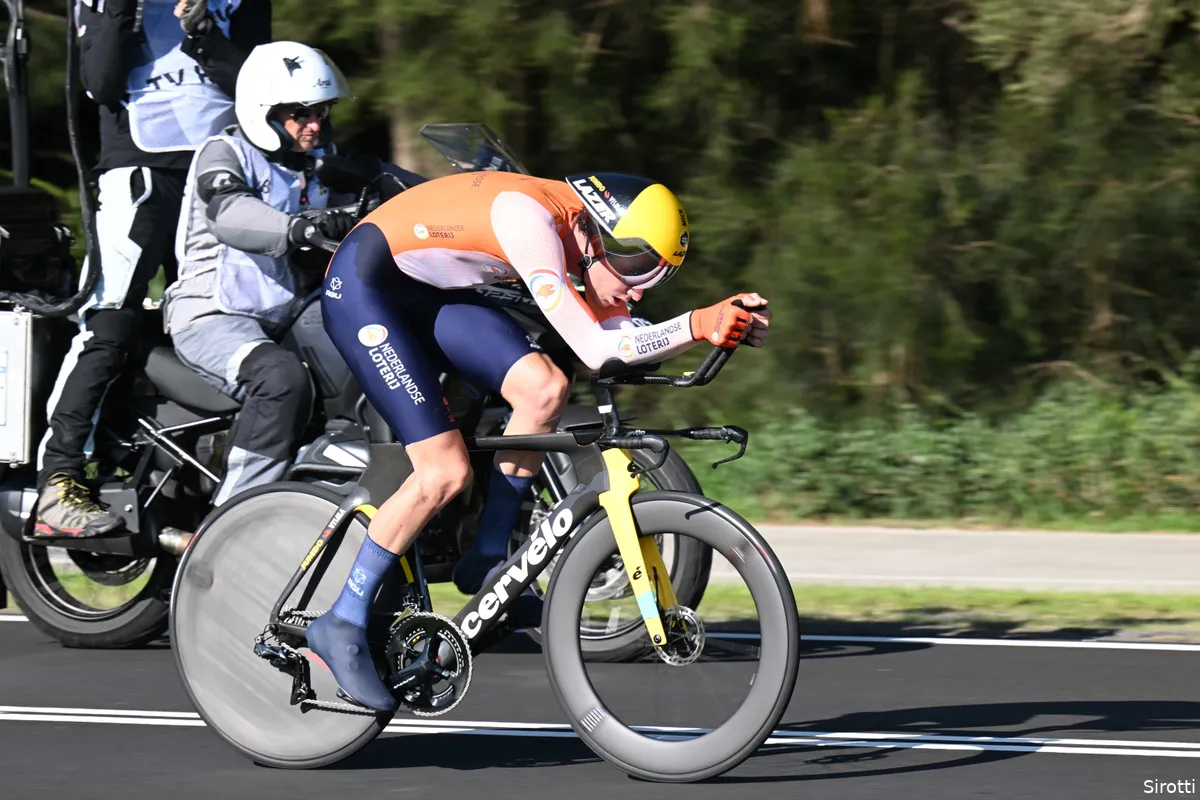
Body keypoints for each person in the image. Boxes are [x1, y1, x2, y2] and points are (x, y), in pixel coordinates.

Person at [308, 168, 772, 711]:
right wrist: (695, 322)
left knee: (545, 388)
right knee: (445, 471)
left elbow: (622, 339)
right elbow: (599, 351)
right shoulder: (529, 221)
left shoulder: (583, 240)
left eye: (658, 276)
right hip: (364, 289)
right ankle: (340, 622)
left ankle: (487, 559)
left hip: (421, 292)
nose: (639, 287)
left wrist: (719, 326)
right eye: (638, 265)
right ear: (595, 233)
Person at [34, 0, 271, 538]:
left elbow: (259, 89)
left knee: (230, 318)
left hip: (219, 175)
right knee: (111, 319)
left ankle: (208, 476)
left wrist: (204, 31)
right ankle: (60, 477)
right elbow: (99, 81)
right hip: (141, 172)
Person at [162, 40, 422, 508]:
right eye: (300, 114)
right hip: (212, 315)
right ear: (264, 113)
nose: (315, 124)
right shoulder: (224, 154)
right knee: (282, 381)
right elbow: (229, 212)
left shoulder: (317, 164)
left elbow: (392, 182)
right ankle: (231, 517)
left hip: (286, 316)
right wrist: (297, 227)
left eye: (320, 112)